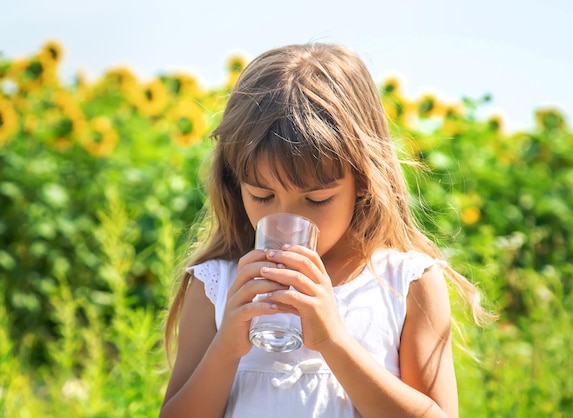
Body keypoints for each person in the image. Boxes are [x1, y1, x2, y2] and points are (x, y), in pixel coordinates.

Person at [159, 43, 493, 418]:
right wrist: (225, 348)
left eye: (317, 200)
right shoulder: (217, 286)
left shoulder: (405, 282)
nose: (286, 220)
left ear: (363, 182)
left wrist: (334, 341)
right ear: (235, 184)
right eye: (262, 195)